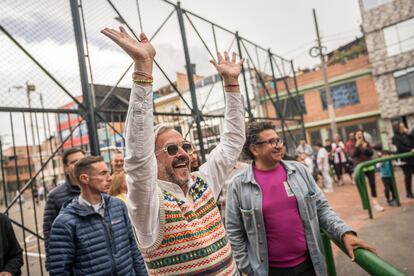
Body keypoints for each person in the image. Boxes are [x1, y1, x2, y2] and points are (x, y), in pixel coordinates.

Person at [101, 26, 245, 275]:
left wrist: (231, 84)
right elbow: (137, 155)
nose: (182, 153)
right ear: (153, 159)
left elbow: (232, 142)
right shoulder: (148, 203)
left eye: (185, 146)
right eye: (170, 148)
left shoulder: (203, 183)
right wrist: (143, 67)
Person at [226, 121, 376, 276]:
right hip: (267, 271)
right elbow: (233, 231)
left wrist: (345, 234)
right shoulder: (238, 186)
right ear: (254, 149)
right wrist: (247, 267)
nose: (278, 145)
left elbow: (322, 209)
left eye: (278, 140)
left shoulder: (299, 172)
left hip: (309, 265)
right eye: (271, 142)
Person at [47, 156, 147, 275]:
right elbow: (59, 270)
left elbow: (134, 249)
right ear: (85, 178)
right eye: (103, 173)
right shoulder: (65, 222)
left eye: (108, 172)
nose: (109, 178)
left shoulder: (118, 206)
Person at [43, 148, 85, 260]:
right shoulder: (55, 196)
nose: (79, 164)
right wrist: (52, 263)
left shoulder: (98, 188)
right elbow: (49, 233)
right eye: (73, 162)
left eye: (82, 160)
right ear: (66, 168)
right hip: (74, 257)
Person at [351, 130, 384, 212]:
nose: (359, 136)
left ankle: (376, 203)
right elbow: (353, 155)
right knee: (362, 186)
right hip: (360, 168)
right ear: (355, 136)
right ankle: (366, 203)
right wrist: (357, 146)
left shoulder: (367, 143)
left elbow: (371, 153)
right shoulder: (353, 144)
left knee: (372, 185)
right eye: (357, 134)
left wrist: (365, 148)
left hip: (369, 167)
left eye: (360, 134)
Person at [392, 122, 414, 198]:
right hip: (405, 160)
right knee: (408, 175)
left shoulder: (407, 134)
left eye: (403, 126)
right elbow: (400, 147)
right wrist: (410, 149)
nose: (403, 128)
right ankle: (409, 192)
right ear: (397, 128)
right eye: (401, 127)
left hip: (412, 158)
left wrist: (408, 133)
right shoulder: (395, 137)